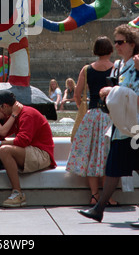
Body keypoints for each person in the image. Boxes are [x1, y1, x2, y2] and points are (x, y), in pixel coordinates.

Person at [79, 25, 139, 224]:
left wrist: (110, 92)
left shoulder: (137, 64)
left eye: (121, 42)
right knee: (113, 166)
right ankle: (99, 208)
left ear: (132, 44)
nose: (117, 46)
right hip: (121, 126)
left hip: (134, 127)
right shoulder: (119, 65)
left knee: (118, 166)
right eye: (116, 42)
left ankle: (99, 208)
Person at [0, 90, 56, 208]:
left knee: (4, 150)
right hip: (28, 151)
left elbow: (23, 141)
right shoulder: (14, 115)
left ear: (4, 106)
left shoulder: (27, 114)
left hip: (42, 154)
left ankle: (18, 193)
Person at [66, 37, 116, 205]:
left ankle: (94, 195)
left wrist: (84, 108)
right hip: (111, 115)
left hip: (92, 115)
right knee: (108, 155)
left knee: (91, 155)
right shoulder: (116, 68)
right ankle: (107, 196)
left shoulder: (87, 69)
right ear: (110, 50)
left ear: (95, 50)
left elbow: (77, 94)